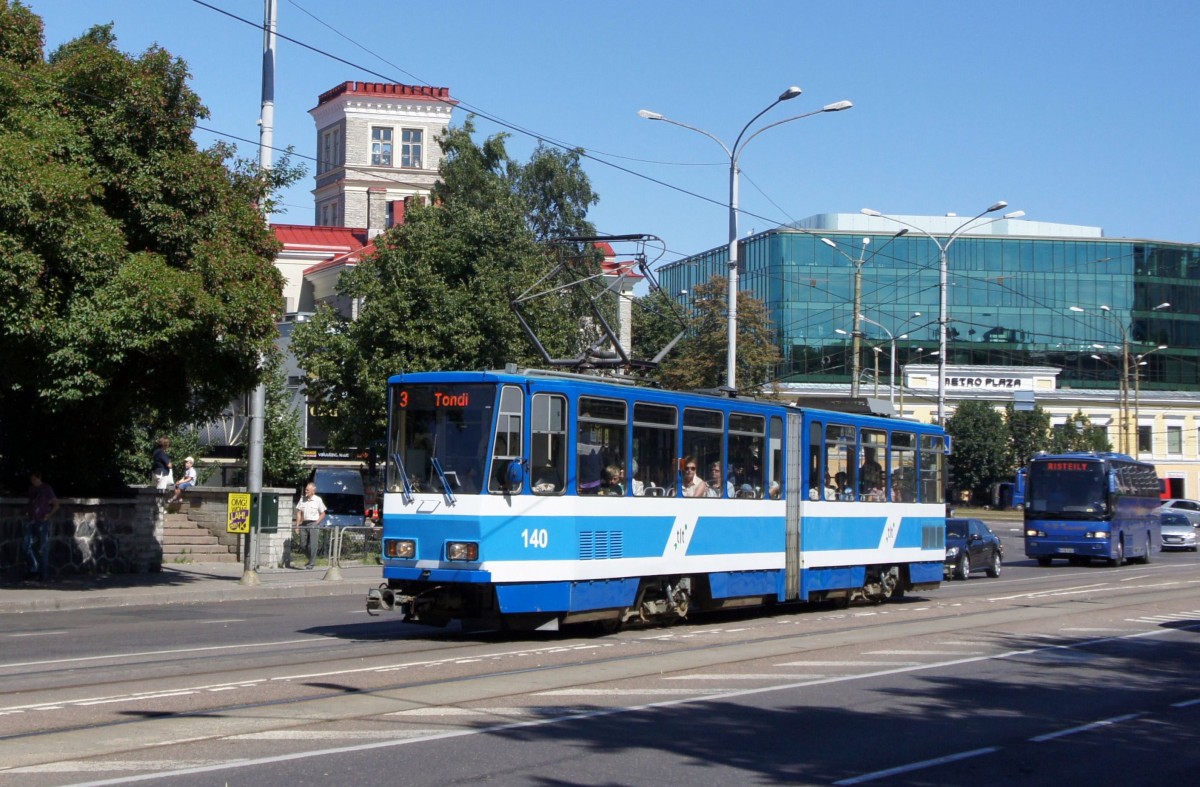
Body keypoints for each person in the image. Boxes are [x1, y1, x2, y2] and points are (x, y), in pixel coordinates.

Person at [24, 472, 59, 580]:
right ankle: (33, 569)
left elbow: (56, 504)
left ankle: (42, 573)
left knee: (43, 547)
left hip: (42, 521)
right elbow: (30, 502)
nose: (33, 481)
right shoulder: (31, 489)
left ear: (39, 478)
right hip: (31, 520)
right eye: (32, 479)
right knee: (26, 546)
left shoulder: (46, 489)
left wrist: (49, 515)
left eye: (34, 479)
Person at [293, 481, 327, 569]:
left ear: (313, 491)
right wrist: (297, 526)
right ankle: (311, 559)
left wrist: (316, 523)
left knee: (312, 545)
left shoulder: (318, 500)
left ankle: (311, 563)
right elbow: (299, 513)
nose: (306, 491)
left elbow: (323, 513)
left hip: (313, 523)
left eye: (308, 490)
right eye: (305, 490)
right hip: (304, 523)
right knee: (303, 544)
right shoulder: (302, 499)